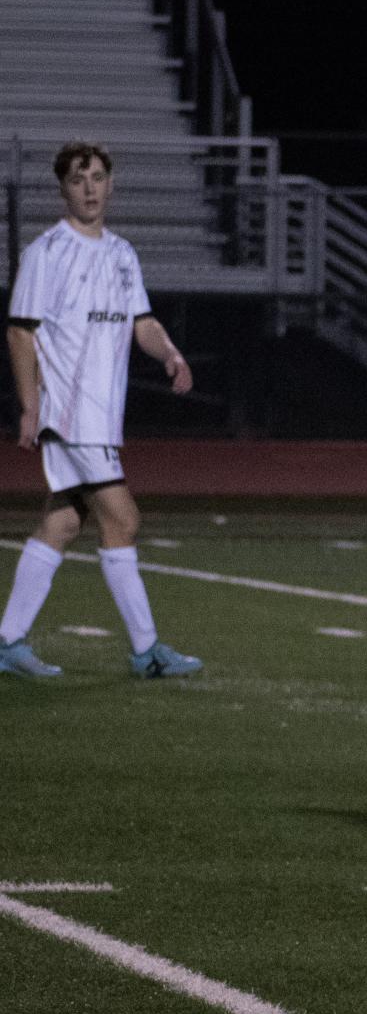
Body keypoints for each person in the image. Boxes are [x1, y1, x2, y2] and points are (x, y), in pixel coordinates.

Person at [1, 141, 203, 680]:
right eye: (77, 179)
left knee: (65, 522)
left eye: (96, 177)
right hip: (70, 416)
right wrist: (30, 406)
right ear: (63, 189)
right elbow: (21, 331)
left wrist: (170, 352)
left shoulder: (121, 253)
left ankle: (6, 641)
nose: (89, 188)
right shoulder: (47, 252)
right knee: (123, 518)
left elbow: (143, 322)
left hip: (100, 418)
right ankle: (146, 652)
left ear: (111, 184)